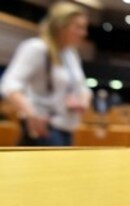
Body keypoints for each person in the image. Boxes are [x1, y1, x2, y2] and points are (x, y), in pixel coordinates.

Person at [1, 1, 91, 146]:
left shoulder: (70, 54)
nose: (84, 33)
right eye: (78, 27)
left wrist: (83, 99)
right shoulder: (37, 48)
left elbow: (82, 87)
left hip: (66, 128)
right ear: (61, 26)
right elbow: (9, 84)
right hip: (45, 129)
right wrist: (31, 113)